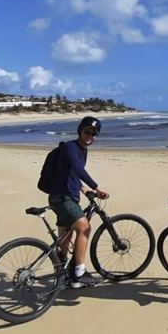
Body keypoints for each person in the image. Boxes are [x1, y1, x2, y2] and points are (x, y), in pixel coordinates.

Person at [49, 116, 110, 288]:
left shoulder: (82, 150)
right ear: (79, 131)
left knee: (65, 239)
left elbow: (70, 172)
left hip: (66, 196)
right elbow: (78, 169)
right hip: (63, 198)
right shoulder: (70, 147)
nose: (89, 136)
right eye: (86, 132)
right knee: (84, 227)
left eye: (93, 133)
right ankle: (80, 272)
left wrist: (83, 188)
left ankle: (65, 277)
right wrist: (96, 187)